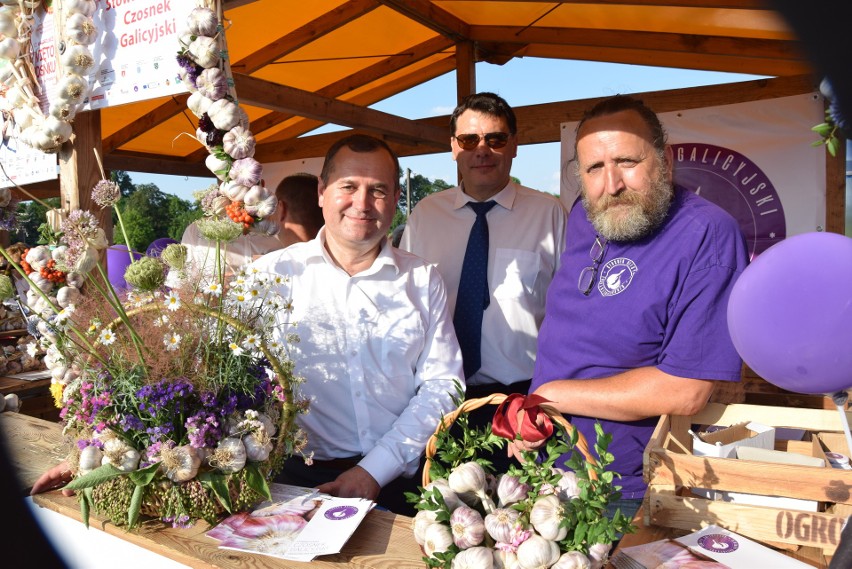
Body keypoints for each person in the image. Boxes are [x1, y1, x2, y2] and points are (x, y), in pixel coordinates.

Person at [528, 94, 749, 522]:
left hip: (623, 487)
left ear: (664, 159)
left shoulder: (707, 234)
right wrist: (534, 418)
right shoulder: (584, 214)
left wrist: (550, 397)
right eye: (594, 168)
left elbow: (687, 389)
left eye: (627, 161)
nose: (611, 185)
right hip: (544, 462)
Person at [250, 134, 464, 515]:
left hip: (399, 484)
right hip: (293, 483)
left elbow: (442, 386)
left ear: (397, 198)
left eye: (378, 190)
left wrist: (374, 469)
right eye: (348, 186)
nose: (362, 203)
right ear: (322, 191)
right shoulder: (268, 276)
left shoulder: (422, 280)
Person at [400, 92, 566, 409]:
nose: (482, 150)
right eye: (468, 140)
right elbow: (404, 301)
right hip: (436, 396)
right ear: (453, 147)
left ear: (514, 144)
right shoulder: (425, 215)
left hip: (522, 398)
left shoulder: (549, 214)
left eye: (495, 139)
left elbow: (572, 310)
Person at [181, 172, 323, 275]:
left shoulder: (277, 233)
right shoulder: (196, 232)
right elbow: (179, 290)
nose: (241, 192)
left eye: (250, 183)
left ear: (261, 185)